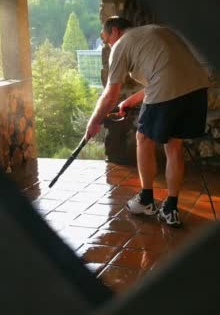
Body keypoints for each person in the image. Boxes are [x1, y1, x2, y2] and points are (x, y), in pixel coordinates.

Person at [84, 16, 210, 227]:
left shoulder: (121, 44)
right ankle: (170, 209)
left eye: (107, 40)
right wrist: (130, 101)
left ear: (115, 31)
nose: (108, 45)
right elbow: (166, 74)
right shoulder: (156, 31)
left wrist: (94, 121)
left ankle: (146, 200)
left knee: (143, 138)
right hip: (197, 89)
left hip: (168, 87)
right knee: (174, 146)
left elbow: (110, 94)